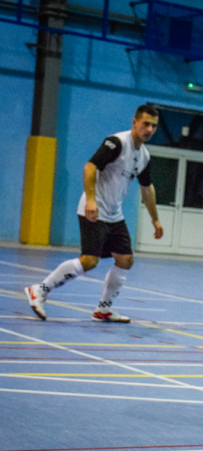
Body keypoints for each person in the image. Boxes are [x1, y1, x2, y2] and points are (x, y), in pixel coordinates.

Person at [25, 104, 164, 323]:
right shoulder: (116, 143)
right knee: (90, 261)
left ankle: (103, 309)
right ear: (134, 122)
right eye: (145, 123)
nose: (149, 129)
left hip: (114, 214)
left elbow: (147, 188)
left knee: (125, 260)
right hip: (94, 209)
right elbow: (90, 167)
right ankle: (39, 290)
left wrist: (155, 218)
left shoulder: (144, 156)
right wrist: (91, 199)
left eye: (153, 126)